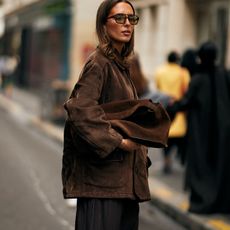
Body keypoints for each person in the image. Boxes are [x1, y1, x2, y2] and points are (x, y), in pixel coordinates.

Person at [61, 1, 170, 229]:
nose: (127, 24)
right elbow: (80, 110)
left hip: (122, 183)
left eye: (132, 19)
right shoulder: (99, 63)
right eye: (119, 18)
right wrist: (117, 141)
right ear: (104, 24)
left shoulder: (120, 65)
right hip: (103, 184)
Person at [167, 41, 230, 214]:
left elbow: (186, 102)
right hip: (223, 130)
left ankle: (203, 202)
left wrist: (172, 106)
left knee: (201, 166)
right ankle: (221, 203)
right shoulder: (224, 74)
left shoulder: (198, 78)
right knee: (220, 165)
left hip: (201, 132)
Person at [155, 51, 190, 173]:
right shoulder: (183, 72)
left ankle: (166, 159)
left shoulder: (160, 71)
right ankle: (176, 159)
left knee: (165, 134)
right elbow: (186, 89)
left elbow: (158, 88)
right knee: (178, 135)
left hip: (164, 107)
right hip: (178, 109)